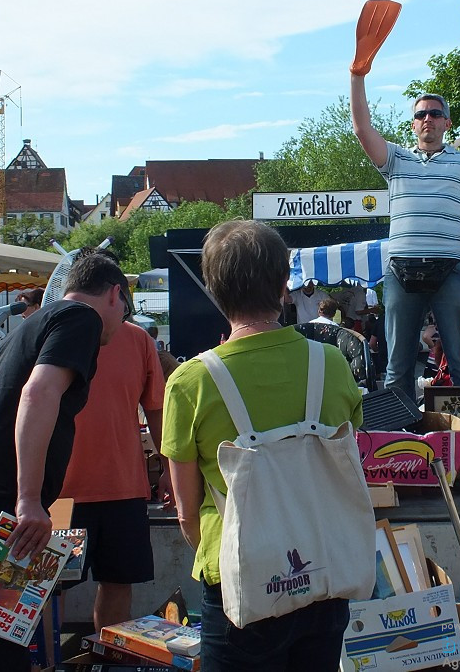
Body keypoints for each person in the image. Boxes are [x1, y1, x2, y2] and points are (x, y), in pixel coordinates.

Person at [162, 220, 364, 671]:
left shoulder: (191, 381)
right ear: (282, 285)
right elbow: (349, 456)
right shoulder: (330, 362)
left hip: (241, 586)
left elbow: (186, 512)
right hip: (324, 573)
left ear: (214, 290)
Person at [0, 253, 131, 672]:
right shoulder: (81, 318)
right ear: (115, 294)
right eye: (125, 311)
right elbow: (37, 394)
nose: (121, 324)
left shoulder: (33, 325)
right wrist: (28, 500)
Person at [350, 75, 460, 405]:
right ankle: (399, 449)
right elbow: (361, 128)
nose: (427, 118)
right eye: (420, 114)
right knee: (397, 368)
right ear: (413, 125)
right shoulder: (396, 158)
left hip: (452, 268)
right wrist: (357, 77)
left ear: (447, 123)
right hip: (401, 269)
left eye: (434, 113)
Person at [60, 311, 168, 633]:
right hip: (60, 492)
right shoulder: (56, 331)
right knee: (50, 587)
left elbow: (157, 410)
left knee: (119, 582)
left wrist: (166, 467)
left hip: (124, 489)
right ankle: (47, 664)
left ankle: (110, 660)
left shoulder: (138, 339)